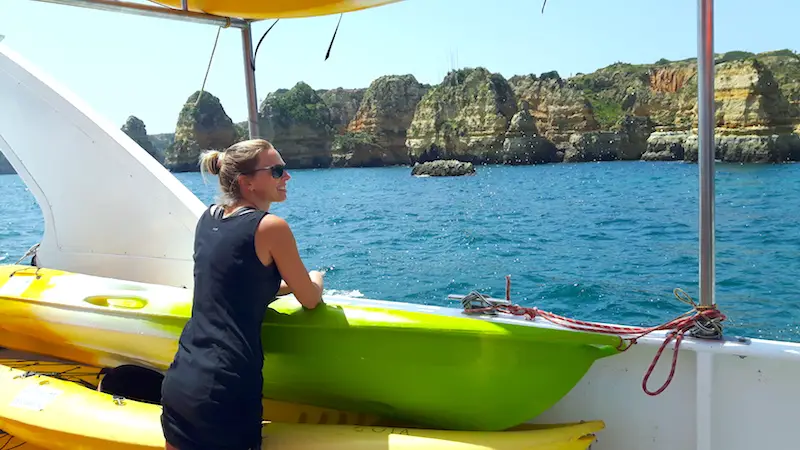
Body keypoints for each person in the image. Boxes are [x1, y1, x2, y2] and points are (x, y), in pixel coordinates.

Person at [160, 138, 325, 450]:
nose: (287, 177)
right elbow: (310, 298)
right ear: (247, 182)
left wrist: (281, 285)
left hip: (183, 378)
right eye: (276, 171)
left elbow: (232, 281)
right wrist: (315, 278)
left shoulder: (208, 218)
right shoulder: (270, 227)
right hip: (226, 387)